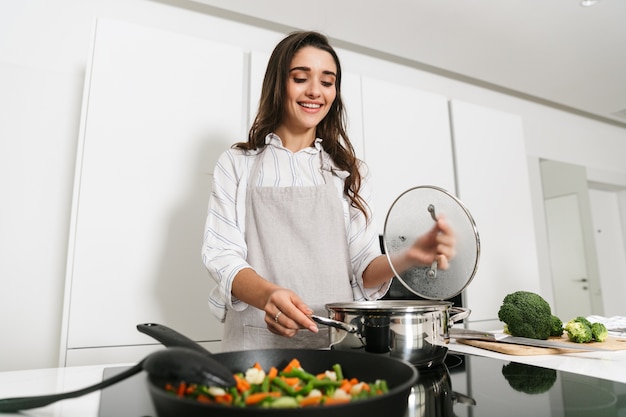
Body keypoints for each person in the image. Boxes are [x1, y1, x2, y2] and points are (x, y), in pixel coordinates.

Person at [201, 31, 455, 351]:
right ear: (278, 83)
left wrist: (407, 257)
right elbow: (222, 257)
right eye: (300, 78)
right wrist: (268, 296)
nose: (314, 91)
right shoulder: (237, 164)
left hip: (335, 346)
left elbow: (363, 268)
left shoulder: (350, 172)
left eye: (327, 81)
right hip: (255, 347)